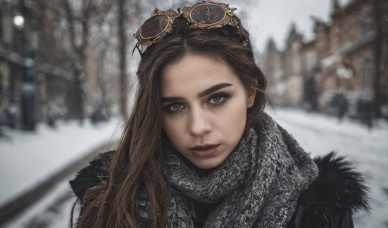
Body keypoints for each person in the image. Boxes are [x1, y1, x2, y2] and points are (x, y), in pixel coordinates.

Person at [69, 1, 369, 227]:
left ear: (250, 91)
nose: (198, 127)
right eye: (174, 106)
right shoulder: (109, 196)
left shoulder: (320, 207)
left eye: (217, 98)